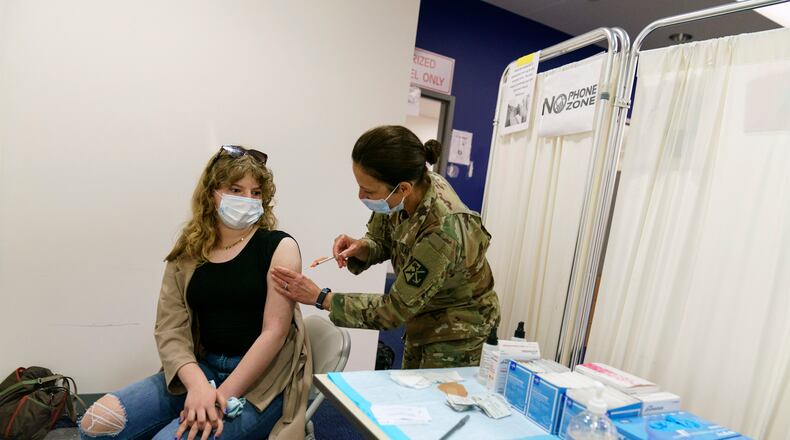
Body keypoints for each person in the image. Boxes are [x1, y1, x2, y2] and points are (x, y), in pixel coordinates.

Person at [79, 145, 311, 440]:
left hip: (260, 381)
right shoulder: (189, 252)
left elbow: (274, 333)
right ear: (212, 193)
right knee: (97, 422)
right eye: (236, 189)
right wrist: (198, 385)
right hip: (201, 367)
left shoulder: (280, 247)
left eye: (256, 193)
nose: (248, 200)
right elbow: (169, 328)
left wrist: (218, 397)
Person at [272, 126, 500, 369]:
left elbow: (393, 310)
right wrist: (363, 247)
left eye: (368, 190)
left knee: (434, 402)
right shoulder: (408, 189)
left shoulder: (442, 231)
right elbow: (383, 239)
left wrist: (322, 298)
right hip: (422, 317)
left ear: (403, 188)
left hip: (459, 333)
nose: (361, 196)